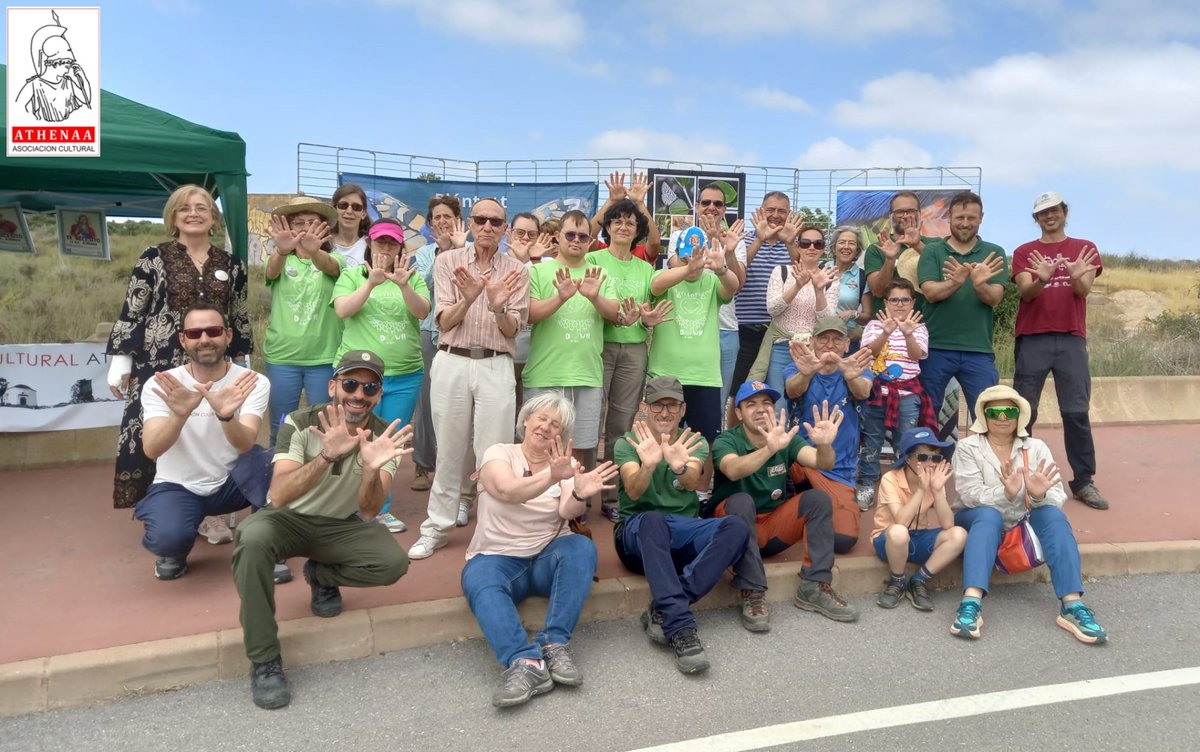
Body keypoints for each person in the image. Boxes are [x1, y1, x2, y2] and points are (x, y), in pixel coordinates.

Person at [232, 349, 414, 709]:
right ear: (333, 386)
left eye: (369, 387)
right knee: (251, 537)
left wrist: (373, 468)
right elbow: (280, 495)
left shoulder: (384, 438)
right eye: (350, 384)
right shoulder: (300, 422)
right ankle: (265, 659)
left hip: (340, 526)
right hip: (289, 520)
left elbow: (370, 509)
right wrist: (327, 455)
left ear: (379, 394)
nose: (358, 395)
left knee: (392, 561)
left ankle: (323, 576)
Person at [107, 185, 253, 537]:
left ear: (213, 217)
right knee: (159, 430)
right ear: (173, 216)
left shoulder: (231, 264)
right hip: (159, 362)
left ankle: (210, 512)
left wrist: (243, 359)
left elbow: (240, 314)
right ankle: (163, 507)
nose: (193, 213)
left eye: (202, 207)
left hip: (212, 360)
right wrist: (121, 360)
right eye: (184, 208)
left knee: (208, 432)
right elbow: (134, 308)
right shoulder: (153, 257)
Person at [461, 393, 617, 708]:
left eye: (555, 425)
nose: (546, 427)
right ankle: (525, 663)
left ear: (563, 436)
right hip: (498, 559)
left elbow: (566, 511)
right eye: (541, 418)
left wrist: (577, 490)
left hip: (545, 558)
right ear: (526, 420)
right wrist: (552, 476)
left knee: (580, 547)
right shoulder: (499, 453)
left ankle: (555, 644)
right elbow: (507, 490)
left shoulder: (565, 466)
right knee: (477, 577)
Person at [613, 377, 764, 674]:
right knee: (653, 520)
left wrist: (678, 465)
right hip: (637, 534)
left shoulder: (692, 441)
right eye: (658, 405)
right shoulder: (628, 442)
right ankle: (681, 627)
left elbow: (693, 481)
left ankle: (666, 606)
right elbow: (633, 490)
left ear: (683, 409)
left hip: (682, 530)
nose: (665, 413)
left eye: (671, 406)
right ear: (645, 408)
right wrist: (649, 464)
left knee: (736, 527)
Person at [411, 198, 530, 560]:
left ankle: (492, 534)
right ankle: (437, 527)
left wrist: (495, 306)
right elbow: (444, 322)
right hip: (453, 360)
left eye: (496, 222)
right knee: (449, 450)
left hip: (496, 363)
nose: (488, 227)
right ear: (471, 222)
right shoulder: (448, 262)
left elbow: (513, 329)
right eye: (481, 219)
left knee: (493, 454)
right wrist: (469, 299)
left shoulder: (517, 271)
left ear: (505, 229)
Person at [949, 385, 1107, 644]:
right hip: (977, 520)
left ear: (1019, 415)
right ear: (984, 415)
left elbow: (1056, 495)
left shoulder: (1035, 447)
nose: (1002, 418)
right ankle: (971, 604)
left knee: (1054, 516)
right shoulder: (968, 447)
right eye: (995, 411)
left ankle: (1072, 606)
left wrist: (1038, 495)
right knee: (989, 515)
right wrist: (1006, 493)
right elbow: (968, 494)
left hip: (1022, 521)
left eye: (1009, 411)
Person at [134, 303, 270, 580]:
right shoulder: (162, 384)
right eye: (195, 333)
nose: (205, 339)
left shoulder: (252, 382)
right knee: (167, 538)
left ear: (228, 336)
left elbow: (245, 444)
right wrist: (179, 415)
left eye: (214, 331)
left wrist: (226, 416)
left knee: (279, 464)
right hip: (179, 485)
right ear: (183, 340)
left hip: (233, 481)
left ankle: (266, 546)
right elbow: (151, 449)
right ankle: (175, 551)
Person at [711, 382, 857, 622]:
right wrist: (769, 450)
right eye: (751, 404)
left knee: (818, 498)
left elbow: (823, 463)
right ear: (738, 413)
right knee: (740, 502)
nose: (760, 409)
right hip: (732, 530)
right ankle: (752, 591)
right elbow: (733, 469)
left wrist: (824, 445)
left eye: (766, 403)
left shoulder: (786, 439)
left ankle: (815, 586)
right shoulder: (726, 440)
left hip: (771, 528)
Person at [332, 218, 431, 534]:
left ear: (401, 247)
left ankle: (378, 508)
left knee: (387, 443)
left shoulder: (412, 278)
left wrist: (402, 284)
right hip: (359, 379)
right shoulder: (352, 275)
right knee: (350, 441)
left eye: (392, 243)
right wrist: (371, 283)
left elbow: (422, 312)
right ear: (369, 244)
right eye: (380, 242)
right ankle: (345, 507)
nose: (385, 248)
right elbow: (343, 310)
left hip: (404, 374)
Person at [1011, 192, 1108, 510]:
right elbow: (1027, 293)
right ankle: (1018, 475)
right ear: (1035, 218)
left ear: (1065, 212)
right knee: (1025, 412)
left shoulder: (1085, 249)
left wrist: (1078, 276)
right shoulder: (1025, 252)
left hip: (1070, 339)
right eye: (1043, 213)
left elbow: (1083, 291)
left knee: (1076, 413)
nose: (1049, 216)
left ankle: (1083, 481)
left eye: (1054, 210)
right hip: (1033, 338)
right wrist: (1042, 278)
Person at [523, 210, 620, 479]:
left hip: (586, 374)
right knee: (538, 445)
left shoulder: (599, 273)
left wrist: (594, 297)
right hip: (545, 373)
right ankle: (539, 507)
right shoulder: (539, 271)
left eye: (582, 236)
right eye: (570, 234)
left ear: (590, 241)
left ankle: (575, 509)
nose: (576, 240)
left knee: (581, 448)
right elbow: (528, 314)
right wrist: (561, 298)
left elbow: (614, 314)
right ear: (558, 237)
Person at [587, 199, 660, 522]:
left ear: (638, 231)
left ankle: (611, 495)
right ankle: (583, 493)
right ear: (607, 226)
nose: (623, 226)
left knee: (620, 425)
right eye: (617, 220)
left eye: (630, 222)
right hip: (595, 347)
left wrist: (646, 320)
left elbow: (647, 315)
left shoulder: (646, 269)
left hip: (633, 351)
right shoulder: (591, 258)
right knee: (589, 423)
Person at [783, 317, 875, 553]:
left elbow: (863, 392)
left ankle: (813, 511)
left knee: (843, 542)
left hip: (839, 470)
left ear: (847, 345)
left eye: (837, 339)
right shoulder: (799, 367)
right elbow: (793, 390)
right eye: (823, 338)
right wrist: (806, 373)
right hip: (803, 463)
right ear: (812, 341)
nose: (830, 344)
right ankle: (797, 501)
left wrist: (852, 375)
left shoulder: (856, 368)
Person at [917, 191, 1007, 423]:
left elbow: (994, 298)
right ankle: (926, 458)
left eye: (971, 217)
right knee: (928, 414)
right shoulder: (932, 251)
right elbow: (930, 293)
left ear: (981, 217)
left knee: (987, 413)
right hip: (935, 348)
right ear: (949, 217)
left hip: (978, 349)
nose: (965, 223)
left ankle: (989, 460)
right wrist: (955, 282)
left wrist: (980, 285)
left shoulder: (994, 252)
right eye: (959, 217)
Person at [264, 196, 344, 446]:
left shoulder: (337, 260)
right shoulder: (280, 258)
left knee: (321, 428)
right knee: (281, 426)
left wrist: (314, 251)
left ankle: (317, 480)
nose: (305, 227)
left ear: (323, 228)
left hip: (323, 358)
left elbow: (330, 267)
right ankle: (278, 478)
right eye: (299, 222)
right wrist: (281, 250)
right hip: (282, 357)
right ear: (287, 227)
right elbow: (271, 272)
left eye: (312, 222)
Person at [665, 188, 749, 422]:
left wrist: (726, 248)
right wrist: (709, 241)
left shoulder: (732, 239)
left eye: (718, 203)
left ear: (724, 209)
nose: (711, 207)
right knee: (675, 405)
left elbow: (738, 283)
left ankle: (708, 457)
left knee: (715, 408)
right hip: (686, 328)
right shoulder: (679, 236)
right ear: (696, 205)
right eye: (706, 202)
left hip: (725, 329)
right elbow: (675, 266)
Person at [648, 238, 740, 446]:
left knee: (705, 443)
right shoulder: (664, 276)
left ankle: (702, 481)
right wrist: (687, 269)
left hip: (705, 377)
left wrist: (722, 269)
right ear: (677, 256)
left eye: (699, 257)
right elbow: (655, 286)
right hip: (666, 375)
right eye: (686, 257)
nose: (693, 262)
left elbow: (732, 287)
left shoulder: (712, 280)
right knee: (662, 440)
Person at [856, 278, 934, 509]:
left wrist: (908, 334)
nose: (899, 304)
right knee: (871, 439)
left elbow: (917, 355)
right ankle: (868, 483)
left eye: (905, 299)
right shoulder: (873, 326)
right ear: (885, 302)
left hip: (907, 393)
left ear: (913, 302)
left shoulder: (919, 328)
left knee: (906, 440)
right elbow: (869, 352)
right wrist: (885, 333)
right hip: (877, 392)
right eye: (894, 300)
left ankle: (901, 483)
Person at [871, 427, 966, 610]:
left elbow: (947, 524)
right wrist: (922, 490)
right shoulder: (890, 478)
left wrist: (937, 491)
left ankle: (919, 580)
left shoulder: (934, 481)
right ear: (908, 458)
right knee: (899, 532)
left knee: (958, 534)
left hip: (918, 538)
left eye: (936, 458)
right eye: (923, 457)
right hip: (889, 540)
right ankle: (897, 581)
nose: (931, 463)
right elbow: (901, 522)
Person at [409, 195, 465, 495]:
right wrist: (444, 253)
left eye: (448, 216)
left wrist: (456, 250)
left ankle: (454, 469)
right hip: (431, 332)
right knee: (427, 401)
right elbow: (425, 288)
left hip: (463, 334)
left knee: (457, 404)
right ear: (430, 225)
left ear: (458, 220)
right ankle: (422, 463)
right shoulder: (424, 254)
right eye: (437, 218)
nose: (442, 222)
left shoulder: (470, 250)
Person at [730, 191, 799, 394]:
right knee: (741, 391)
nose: (775, 215)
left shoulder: (794, 244)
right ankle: (737, 427)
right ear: (761, 211)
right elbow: (737, 273)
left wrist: (789, 243)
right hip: (746, 328)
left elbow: (804, 274)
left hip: (781, 332)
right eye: (770, 210)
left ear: (789, 214)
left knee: (777, 390)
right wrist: (759, 240)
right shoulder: (744, 240)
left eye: (781, 211)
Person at [758, 224, 838, 395]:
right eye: (806, 243)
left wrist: (818, 290)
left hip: (814, 351)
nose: (811, 247)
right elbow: (773, 309)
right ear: (797, 245)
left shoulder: (829, 278)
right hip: (782, 347)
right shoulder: (781, 272)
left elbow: (828, 321)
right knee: (780, 406)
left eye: (818, 244)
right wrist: (797, 286)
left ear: (823, 248)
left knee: (810, 405)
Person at [864, 190, 935, 316]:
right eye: (899, 212)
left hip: (927, 325)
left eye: (911, 211)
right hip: (887, 329)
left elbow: (943, 275)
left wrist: (917, 245)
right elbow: (878, 291)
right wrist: (890, 260)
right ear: (891, 216)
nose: (905, 216)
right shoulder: (876, 248)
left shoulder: (935, 245)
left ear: (919, 214)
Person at [589, 172, 661, 264]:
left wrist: (639, 203)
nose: (623, 228)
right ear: (608, 228)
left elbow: (654, 243)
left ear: (637, 231)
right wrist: (611, 201)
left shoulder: (641, 255)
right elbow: (587, 236)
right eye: (617, 222)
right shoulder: (598, 252)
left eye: (630, 223)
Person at [828, 227, 872, 349]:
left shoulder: (862, 277)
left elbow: (867, 316)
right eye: (842, 242)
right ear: (833, 247)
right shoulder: (821, 269)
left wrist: (853, 314)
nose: (846, 247)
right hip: (820, 339)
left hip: (847, 340)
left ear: (857, 250)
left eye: (852, 243)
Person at [329, 184, 370, 266]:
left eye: (356, 207)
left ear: (364, 214)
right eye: (343, 205)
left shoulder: (370, 245)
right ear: (335, 209)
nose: (349, 211)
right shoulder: (323, 242)